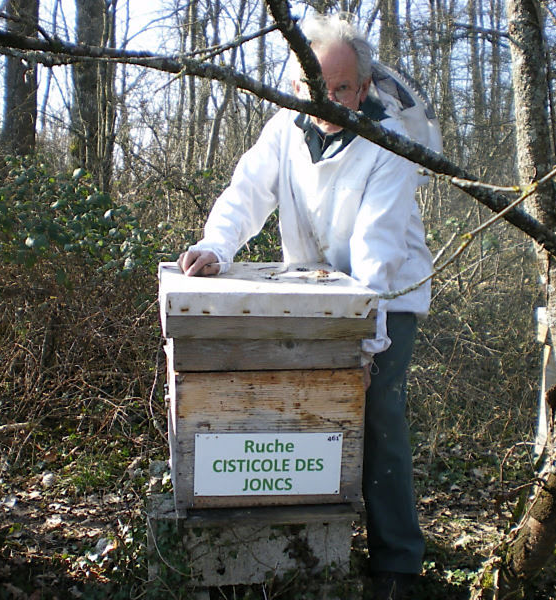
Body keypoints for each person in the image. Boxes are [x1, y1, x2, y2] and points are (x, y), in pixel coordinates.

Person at [176, 13, 432, 600]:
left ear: (363, 89)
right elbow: (246, 193)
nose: (328, 100)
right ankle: (314, 529)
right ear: (296, 82)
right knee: (305, 407)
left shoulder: (388, 144)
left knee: (377, 413)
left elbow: (377, 253)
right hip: (314, 291)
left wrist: (362, 345)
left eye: (342, 88)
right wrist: (215, 246)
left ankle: (399, 561)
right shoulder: (282, 130)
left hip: (388, 295)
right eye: (315, 86)